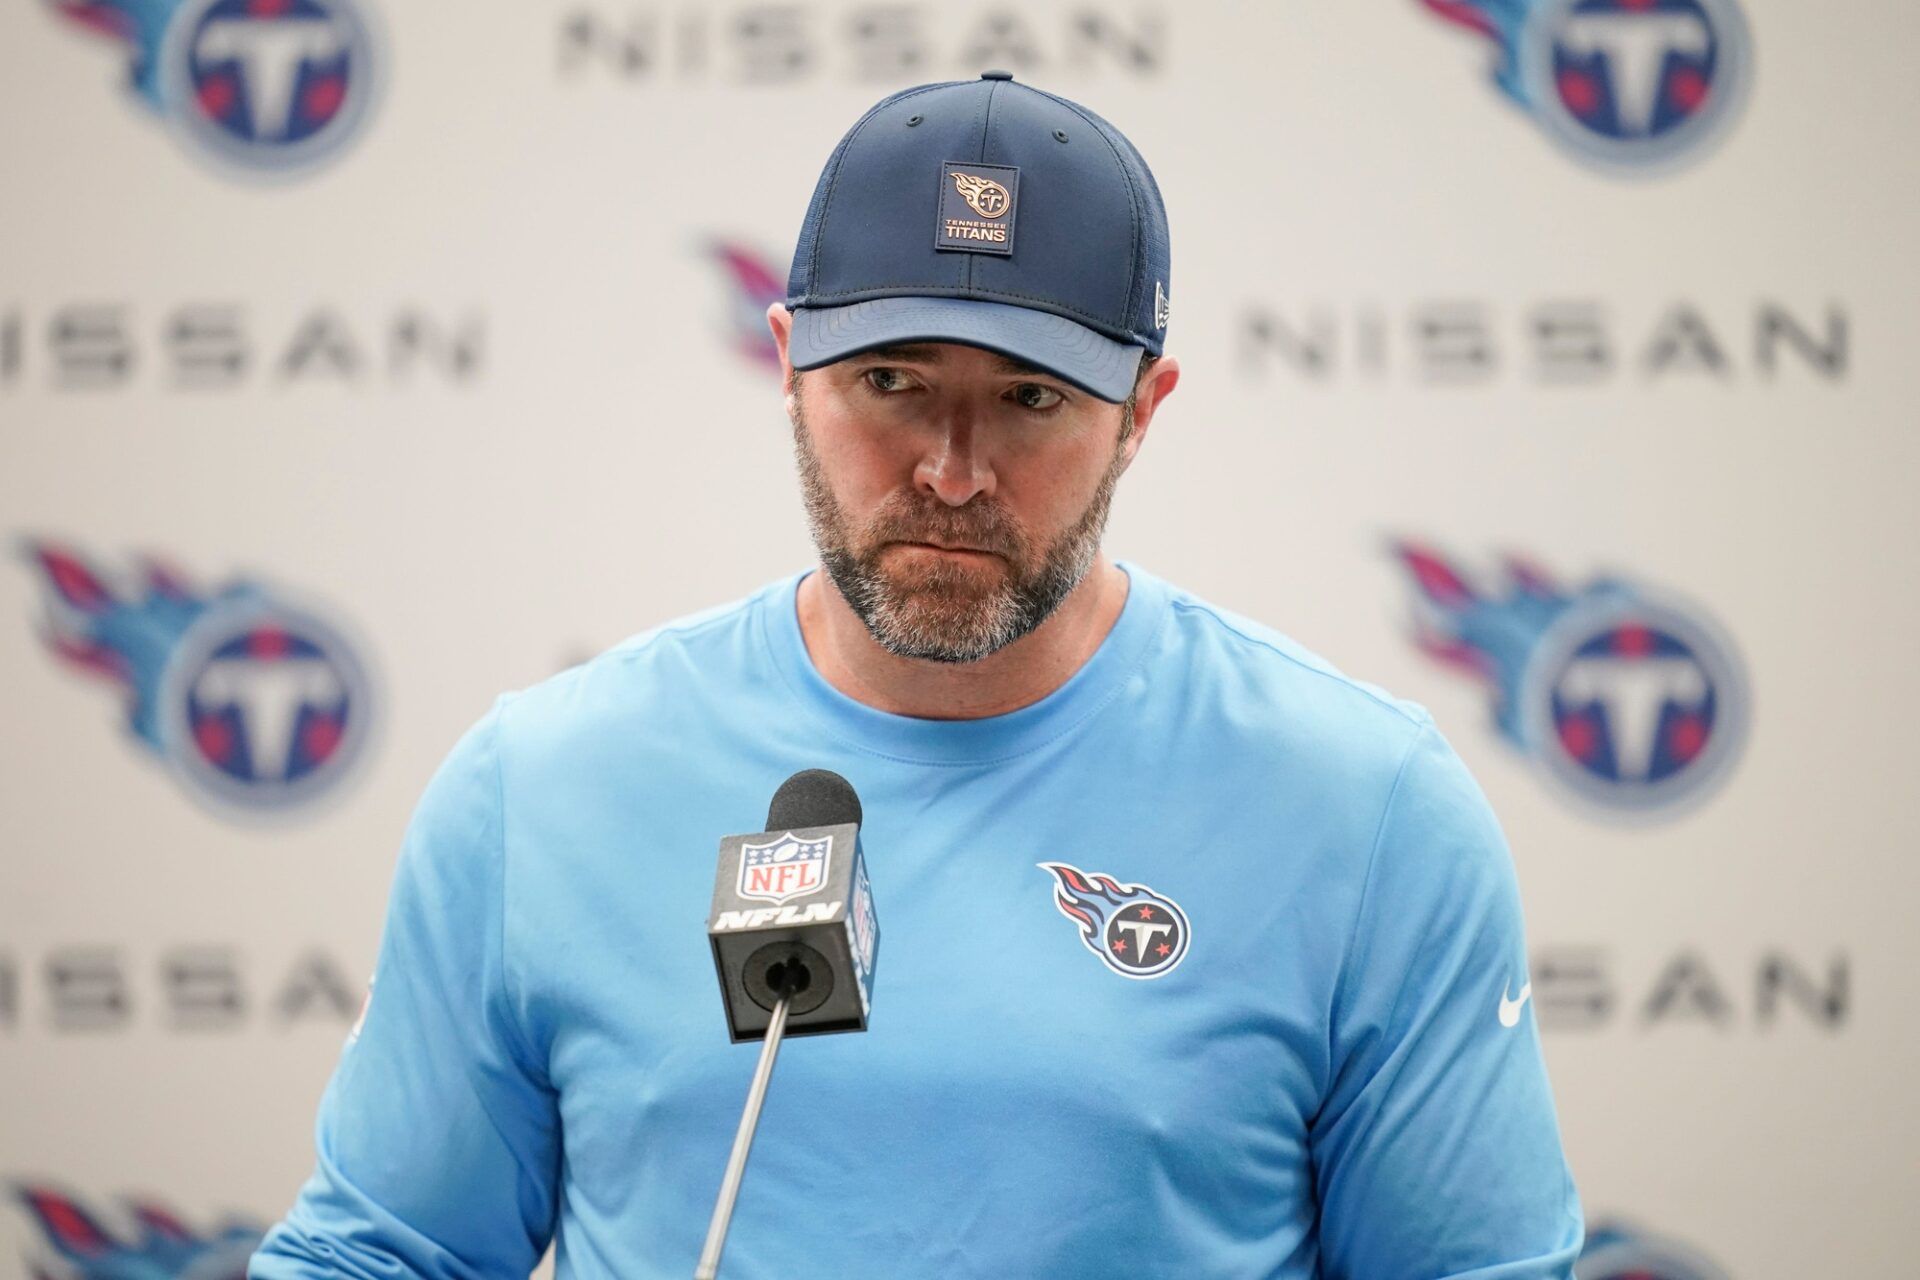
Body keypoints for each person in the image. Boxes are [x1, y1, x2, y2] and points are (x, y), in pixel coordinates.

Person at [251, 72, 1582, 1279]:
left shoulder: (1363, 809)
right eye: (889, 380)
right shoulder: (542, 787)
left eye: (1029, 398)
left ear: (1143, 410)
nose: (951, 470)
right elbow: (383, 1253)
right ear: (786, 366)